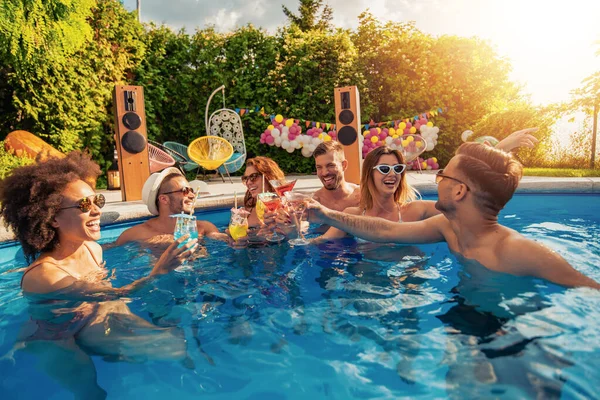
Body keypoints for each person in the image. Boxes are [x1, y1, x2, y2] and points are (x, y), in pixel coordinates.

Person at [0, 152, 198, 399]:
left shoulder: (92, 249)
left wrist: (127, 321)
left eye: (98, 201)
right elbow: (117, 292)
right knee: (91, 392)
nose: (96, 211)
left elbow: (109, 298)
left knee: (176, 344)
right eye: (84, 205)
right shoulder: (44, 275)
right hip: (55, 336)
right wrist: (159, 271)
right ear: (53, 219)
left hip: (92, 317)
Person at [307, 142, 600, 289]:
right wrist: (325, 214)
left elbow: (589, 290)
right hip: (463, 309)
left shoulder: (519, 250)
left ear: (458, 192)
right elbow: (383, 230)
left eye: (443, 174)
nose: (438, 177)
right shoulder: (444, 226)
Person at [317, 146, 440, 240]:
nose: (392, 174)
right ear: (369, 174)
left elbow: (456, 209)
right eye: (384, 169)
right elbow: (319, 242)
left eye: (397, 168)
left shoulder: (415, 210)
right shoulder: (353, 215)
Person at [116, 167, 225, 245]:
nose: (192, 195)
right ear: (164, 199)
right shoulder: (137, 234)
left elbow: (219, 240)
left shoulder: (204, 228)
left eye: (191, 190)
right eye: (185, 191)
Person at [311, 141, 360, 211]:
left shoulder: (361, 197)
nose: (324, 173)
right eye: (319, 167)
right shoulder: (314, 202)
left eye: (330, 165)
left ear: (344, 165)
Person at [240, 156, 286, 228]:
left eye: (253, 176)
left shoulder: (285, 208)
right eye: (246, 178)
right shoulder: (247, 210)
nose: (248, 182)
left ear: (269, 177)